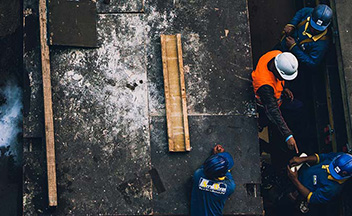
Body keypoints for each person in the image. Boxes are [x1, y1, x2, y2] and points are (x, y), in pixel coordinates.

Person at [252, 50, 299, 153]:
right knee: (269, 119)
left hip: (278, 99)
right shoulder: (264, 85)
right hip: (265, 107)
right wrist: (287, 135)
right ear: (277, 71)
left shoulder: (277, 55)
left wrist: (284, 88)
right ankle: (259, 125)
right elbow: (272, 110)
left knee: (298, 107)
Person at [278, 4, 332, 68]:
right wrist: (292, 24)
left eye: (317, 29)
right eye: (312, 26)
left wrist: (294, 47)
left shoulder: (321, 45)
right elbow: (300, 13)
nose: (313, 30)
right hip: (284, 43)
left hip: (292, 61)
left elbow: (312, 62)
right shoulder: (309, 12)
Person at [287, 152, 352, 204]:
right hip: (299, 173)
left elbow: (312, 197)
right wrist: (304, 159)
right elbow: (322, 157)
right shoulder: (340, 157)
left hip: (298, 189)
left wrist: (295, 180)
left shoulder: (332, 189)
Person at [190, 145, 236, 216]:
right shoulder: (229, 187)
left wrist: (215, 159)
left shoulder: (198, 175)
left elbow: (205, 168)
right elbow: (228, 173)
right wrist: (219, 157)